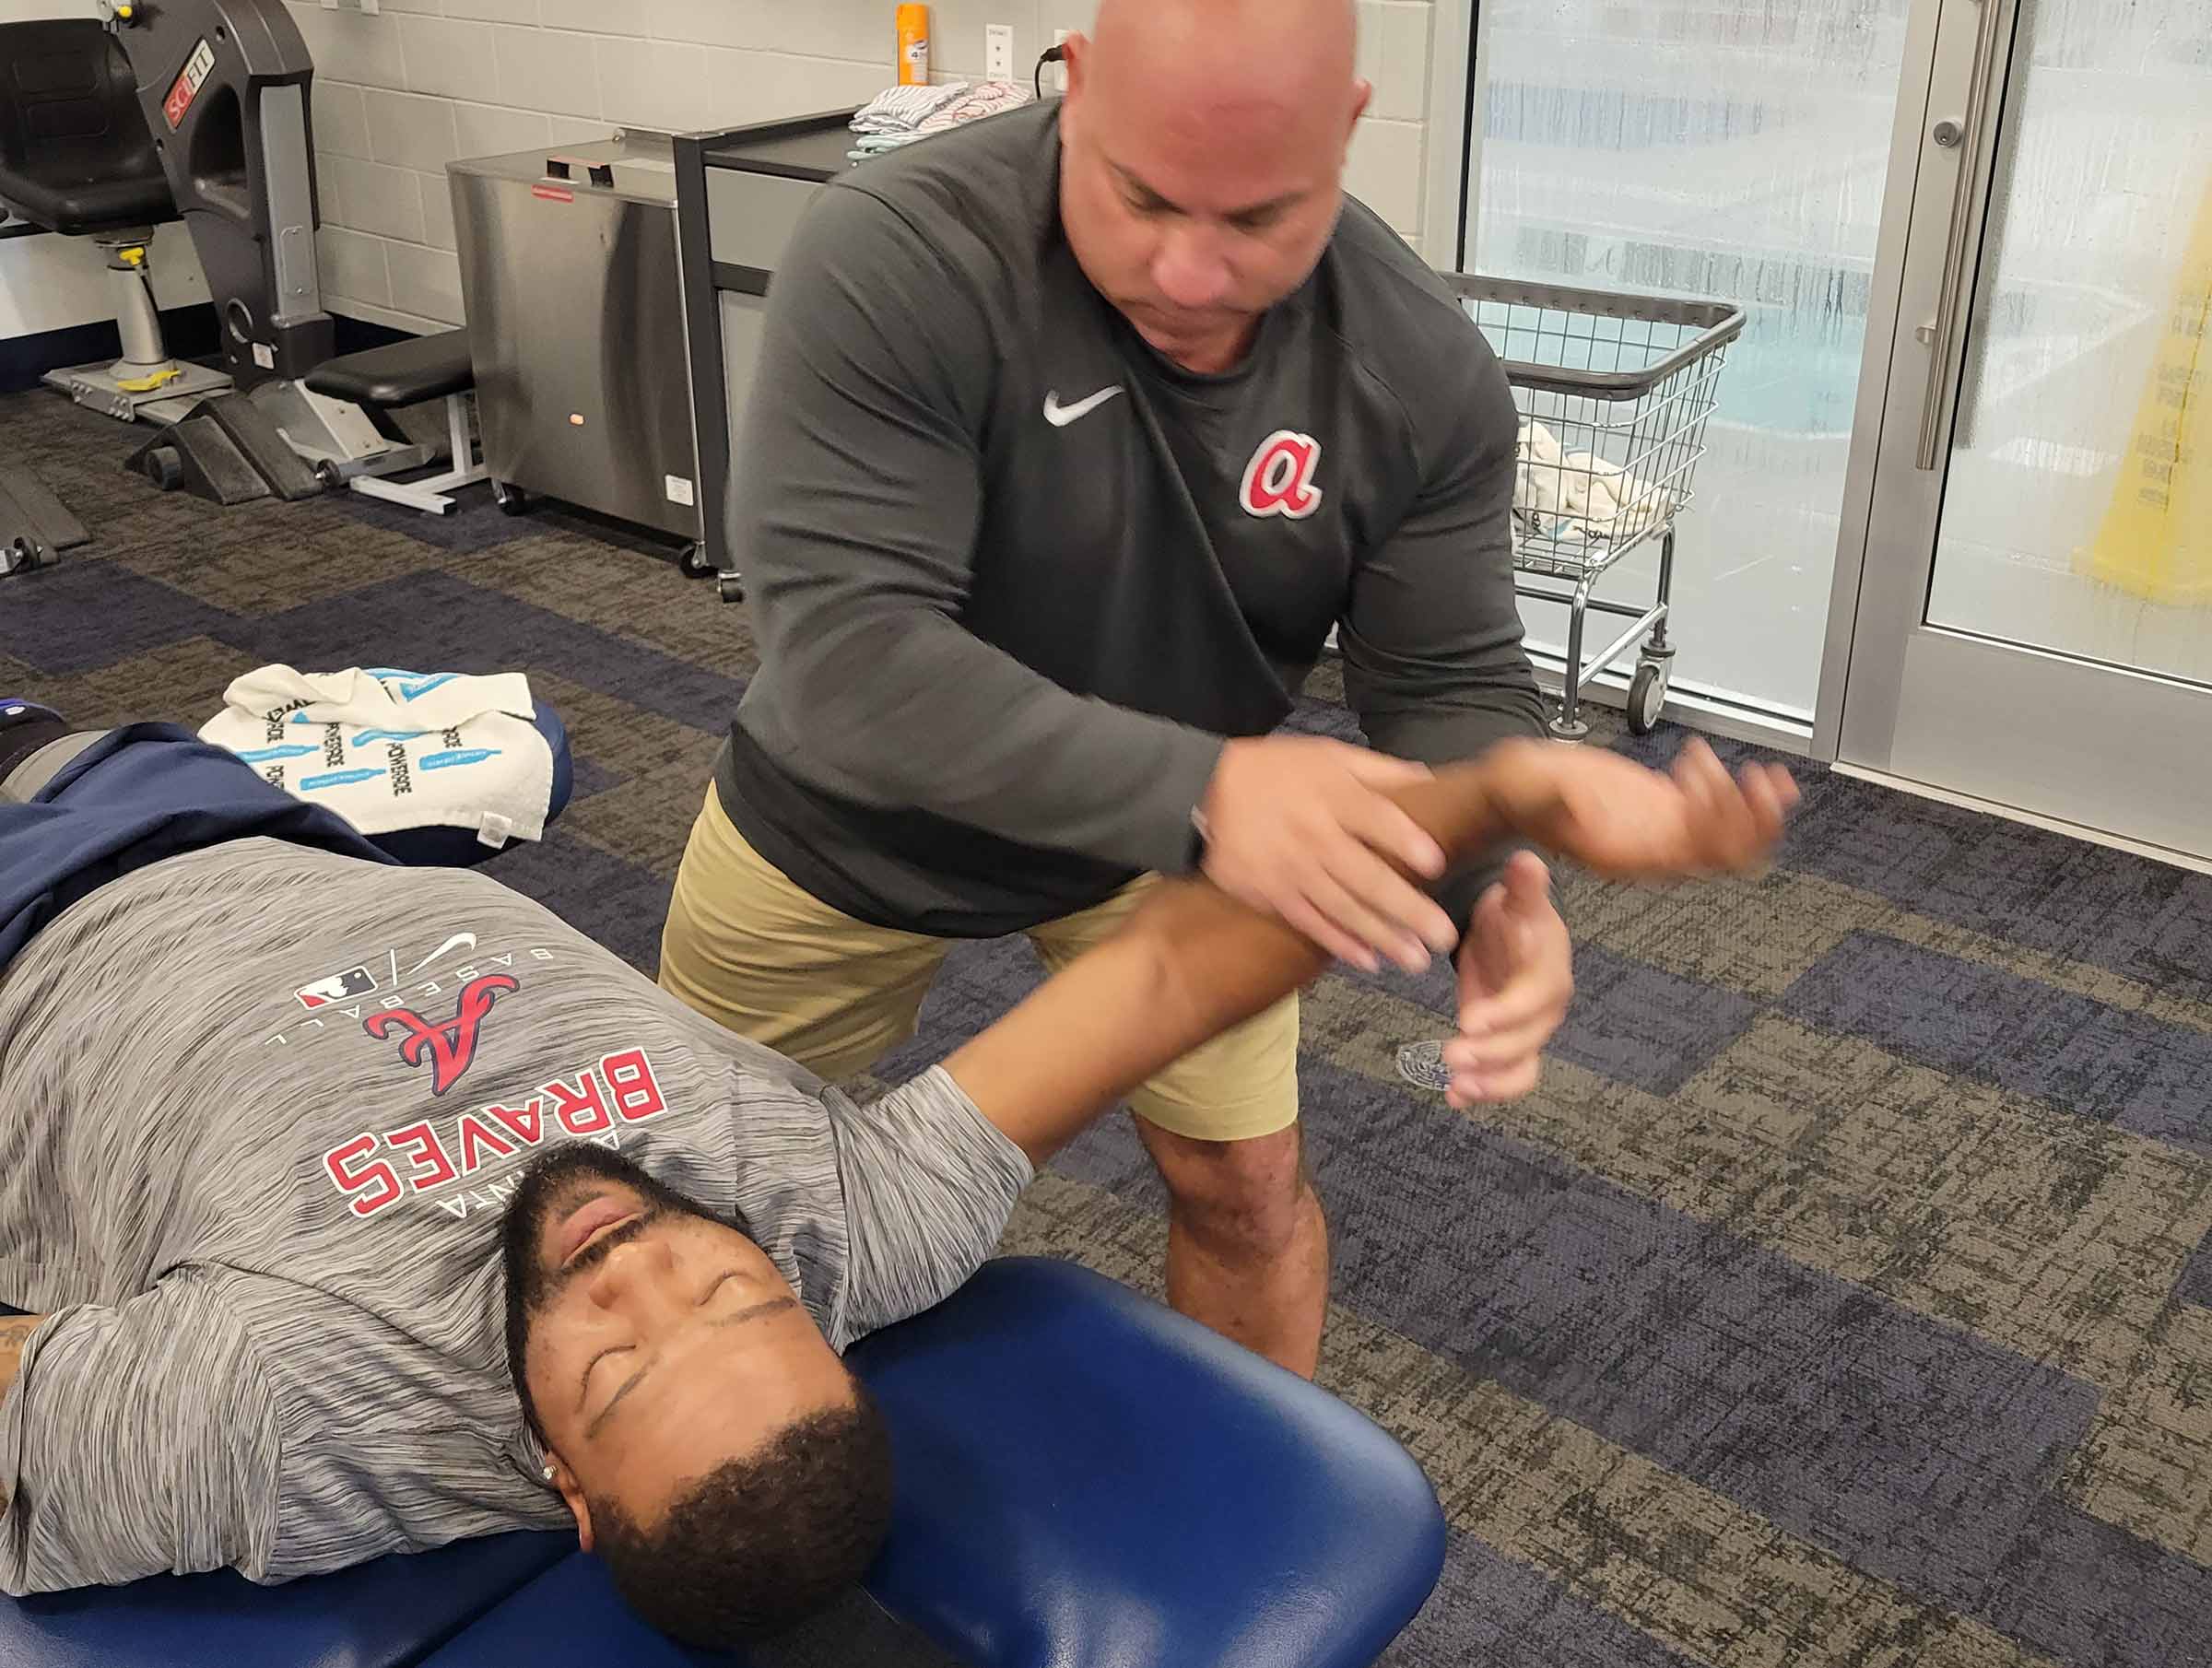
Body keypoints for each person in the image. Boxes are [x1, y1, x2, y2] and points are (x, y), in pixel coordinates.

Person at [0, 700, 1791, 1644]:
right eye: (728, 1290)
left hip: (40, 911)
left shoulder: (271, 1412)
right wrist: (1519, 800)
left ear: (562, 1479)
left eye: (616, 1359)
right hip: (266, 814)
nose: (633, 1257)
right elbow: (1173, 966)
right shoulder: (843, 1222)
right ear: (816, 1312)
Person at [661, 0, 1574, 1377]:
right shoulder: (902, 252)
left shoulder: (1417, 365)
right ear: (1073, 90)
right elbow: (850, 660)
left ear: (1347, 134)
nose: (1193, 274)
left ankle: (1253, 1531)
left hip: (1173, 841)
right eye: (1143, 199)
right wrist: (1208, 793)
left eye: (1258, 219)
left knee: (1247, 1192)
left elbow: (1448, 677)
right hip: (853, 813)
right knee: (683, 1226)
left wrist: (1488, 869)